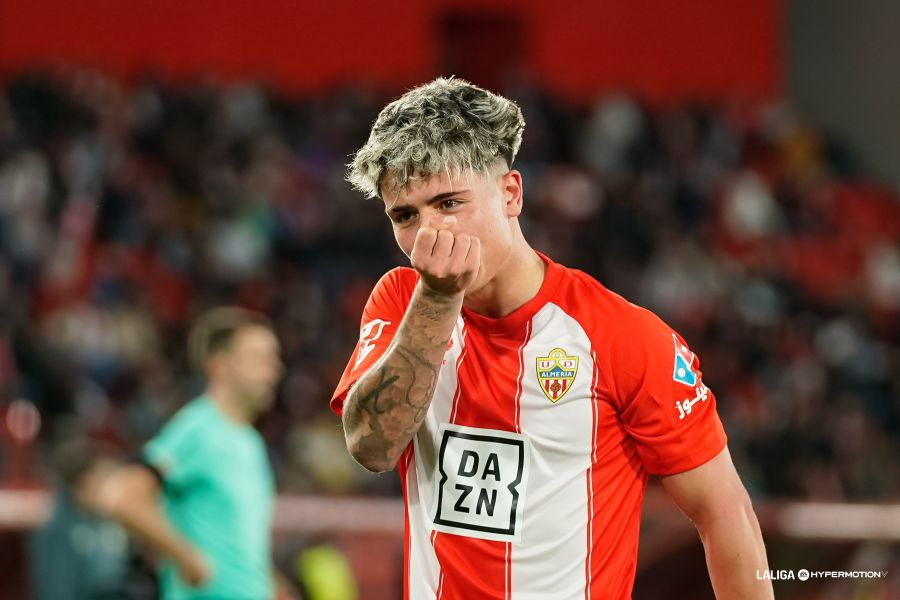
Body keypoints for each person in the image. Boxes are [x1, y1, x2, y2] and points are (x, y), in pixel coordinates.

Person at [332, 78, 774, 599]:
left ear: (510, 193)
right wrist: (435, 302)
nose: (429, 235)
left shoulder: (620, 337)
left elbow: (724, 514)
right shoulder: (401, 302)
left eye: (448, 203)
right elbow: (372, 447)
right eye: (405, 216)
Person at [102, 307, 294, 599]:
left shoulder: (250, 442)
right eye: (259, 358)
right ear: (220, 367)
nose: (274, 369)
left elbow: (241, 546)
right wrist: (187, 557)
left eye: (273, 358)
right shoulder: (198, 429)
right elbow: (122, 496)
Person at [28, 438, 135, 600]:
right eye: (105, 480)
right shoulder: (58, 532)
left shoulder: (104, 522)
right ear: (86, 482)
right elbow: (57, 591)